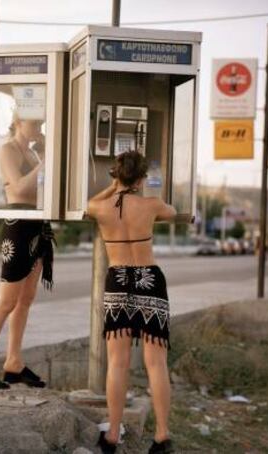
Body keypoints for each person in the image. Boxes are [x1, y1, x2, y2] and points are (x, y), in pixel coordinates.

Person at [87, 151, 177, 454]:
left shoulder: (99, 208)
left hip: (118, 280)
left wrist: (114, 187)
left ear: (116, 174)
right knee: (156, 363)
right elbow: (173, 211)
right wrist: (137, 189)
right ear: (141, 178)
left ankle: (113, 434)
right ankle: (162, 435)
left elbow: (91, 203)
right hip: (149, 280)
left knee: (118, 362)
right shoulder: (151, 206)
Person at [0, 112, 55, 389]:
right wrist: (47, 161)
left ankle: (13, 362)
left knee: (25, 299)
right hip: (18, 223)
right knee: (6, 300)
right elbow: (18, 188)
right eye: (35, 124)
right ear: (18, 121)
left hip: (37, 225)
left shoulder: (32, 155)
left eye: (41, 124)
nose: (39, 128)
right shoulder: (7, 149)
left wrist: (44, 153)